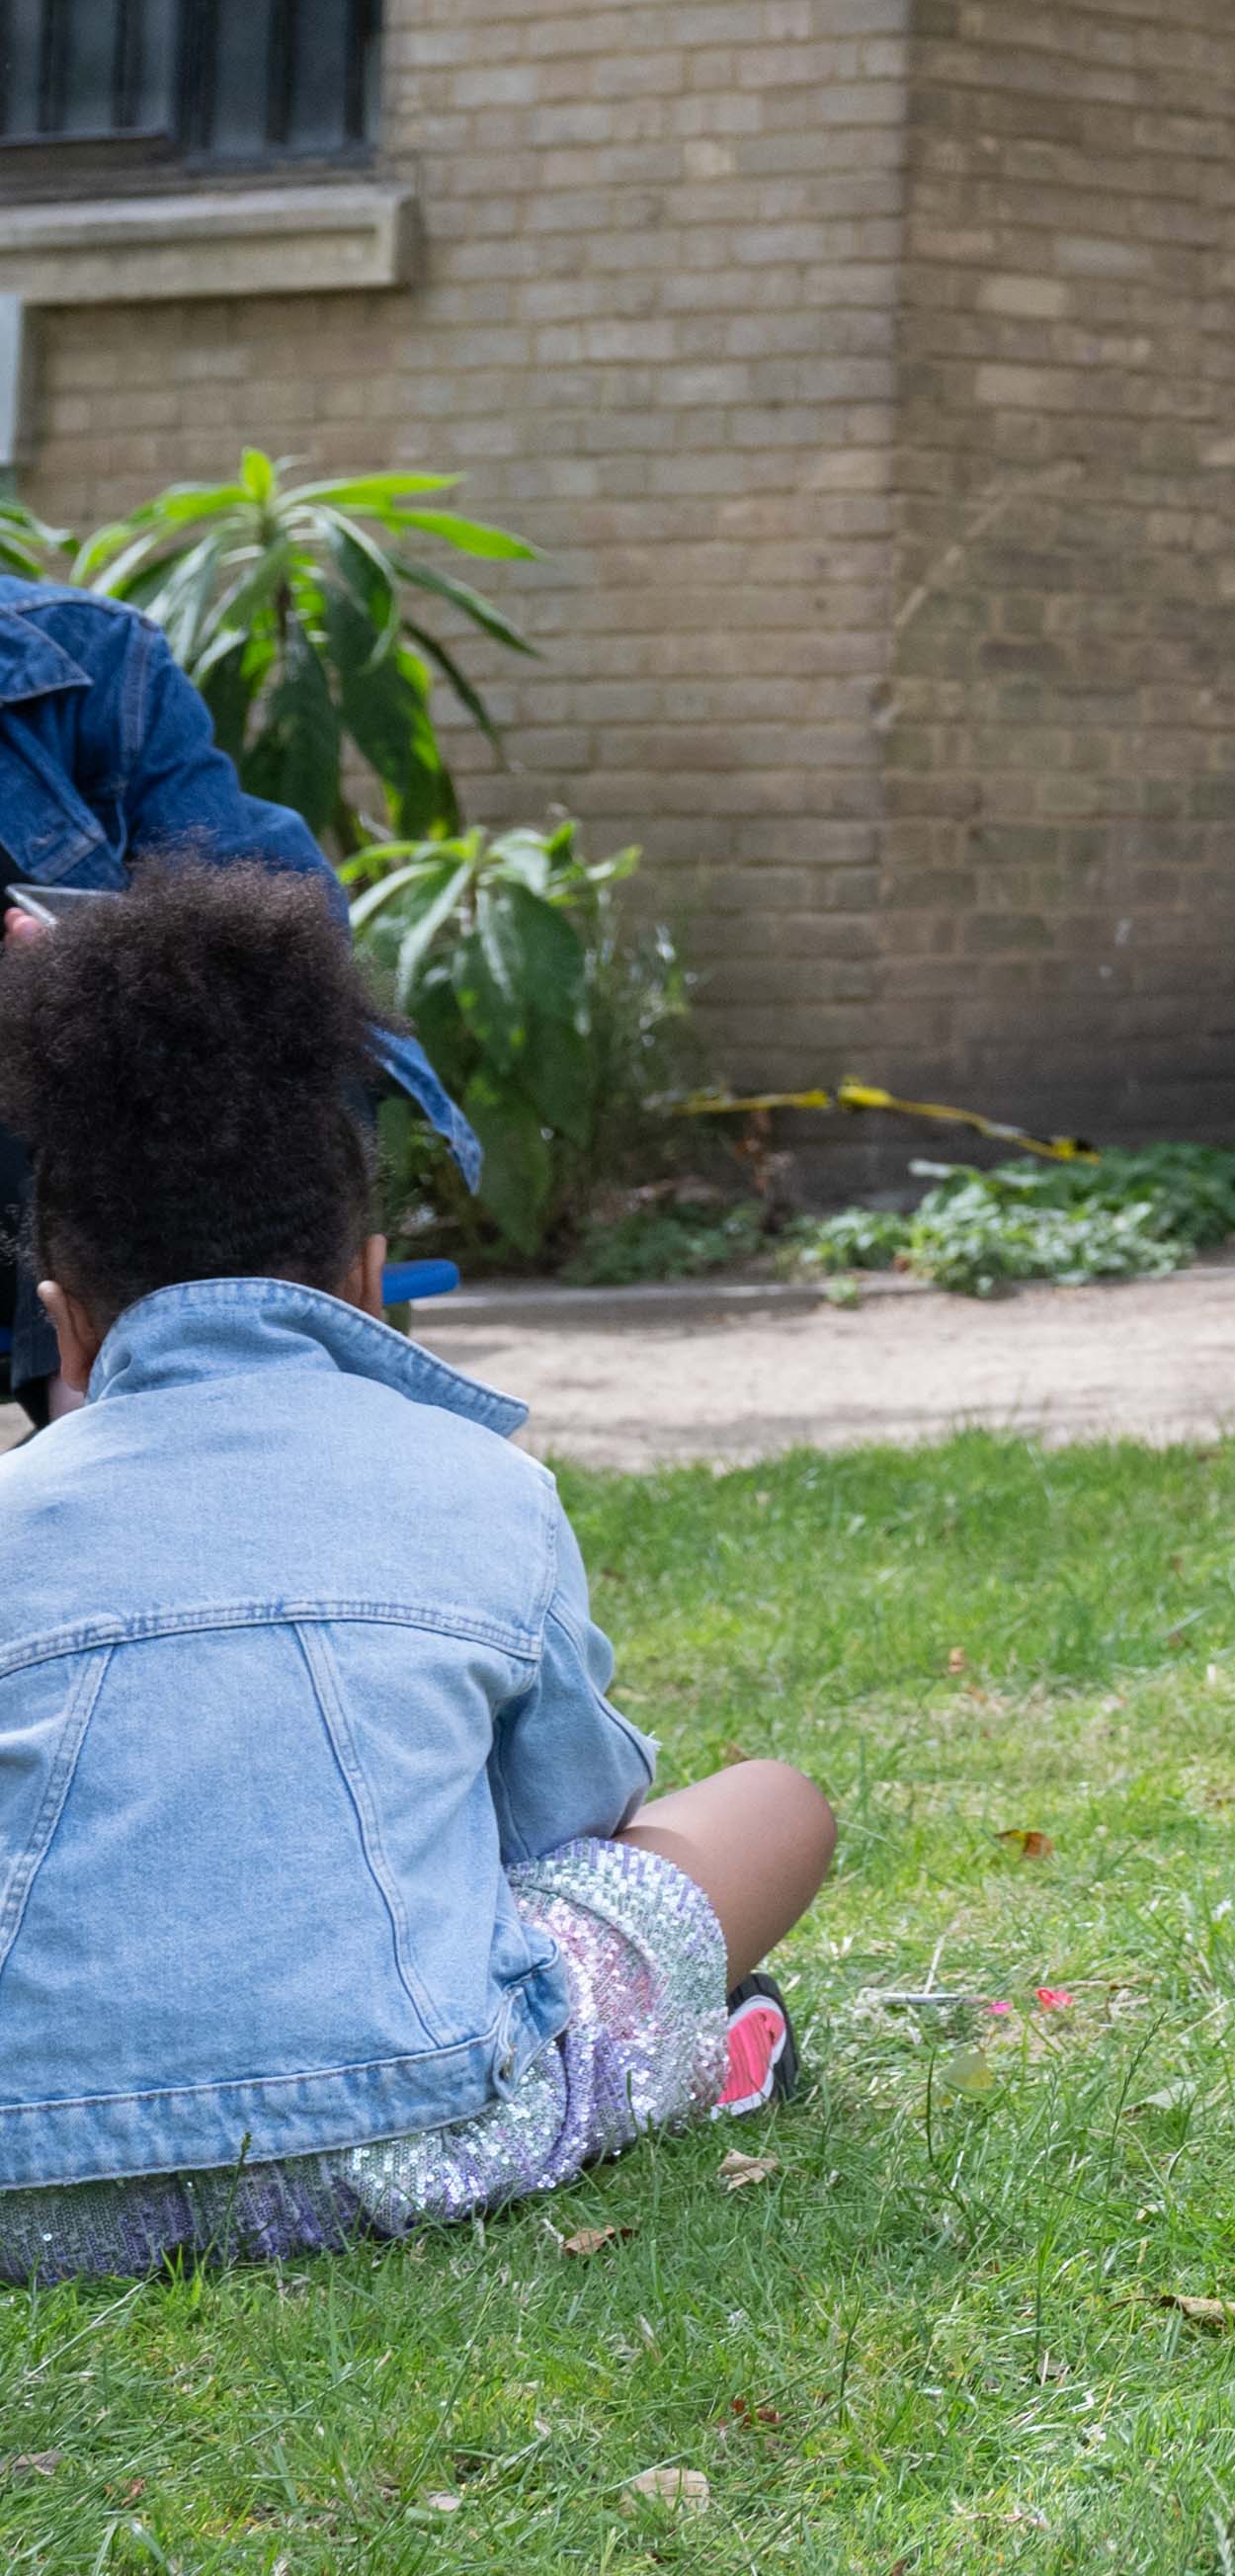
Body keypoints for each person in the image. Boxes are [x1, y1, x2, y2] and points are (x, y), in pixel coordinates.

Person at [0, 865, 831, 2284]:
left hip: (31, 2188)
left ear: (64, 1324)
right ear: (373, 1280)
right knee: (776, 1806)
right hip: (401, 2138)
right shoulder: (483, 1487)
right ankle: (698, 2050)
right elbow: (565, 1824)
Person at [0, 557, 342, 1432]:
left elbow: (268, 942)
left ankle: (121, 1435)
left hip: (81, 1139)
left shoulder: (93, 657)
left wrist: (84, 970)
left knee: (101, 1035)